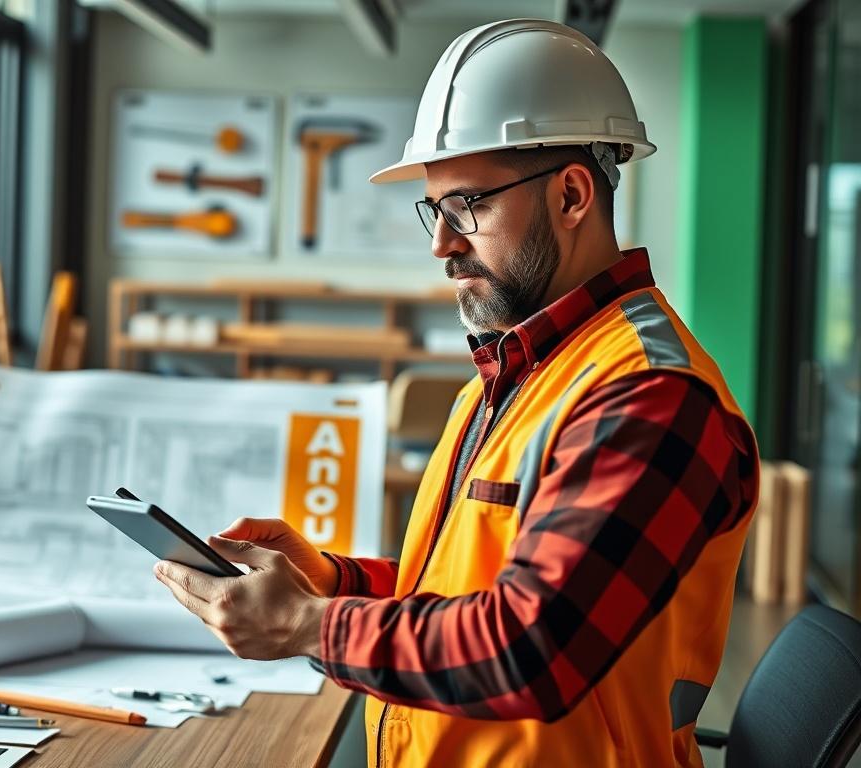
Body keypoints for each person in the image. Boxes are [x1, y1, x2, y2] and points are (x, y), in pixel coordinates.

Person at [154, 18, 759, 767]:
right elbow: (459, 593)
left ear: (572, 195)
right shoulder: (513, 374)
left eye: (468, 206)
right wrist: (329, 584)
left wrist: (307, 627)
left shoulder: (650, 398)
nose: (441, 243)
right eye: (434, 210)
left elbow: (530, 648)